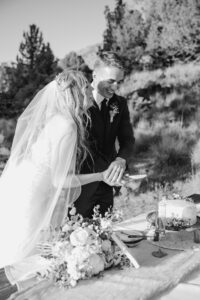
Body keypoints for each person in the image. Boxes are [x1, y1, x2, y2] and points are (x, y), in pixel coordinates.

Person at [0, 70, 117, 294]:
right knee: (25, 251)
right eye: (86, 89)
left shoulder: (57, 119)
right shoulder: (68, 126)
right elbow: (60, 179)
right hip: (31, 196)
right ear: (76, 93)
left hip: (24, 186)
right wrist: (101, 176)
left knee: (20, 246)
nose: (91, 93)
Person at [74, 51, 135, 218]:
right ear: (95, 75)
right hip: (81, 183)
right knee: (77, 236)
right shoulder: (78, 100)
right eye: (111, 81)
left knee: (104, 232)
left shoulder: (120, 104)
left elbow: (128, 139)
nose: (115, 87)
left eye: (119, 82)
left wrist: (121, 160)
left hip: (108, 184)